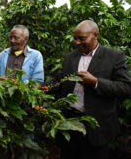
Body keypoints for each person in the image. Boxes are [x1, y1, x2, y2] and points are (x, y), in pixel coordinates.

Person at [48, 20, 131, 159]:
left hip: (97, 127)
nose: (77, 42)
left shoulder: (114, 56)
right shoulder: (70, 57)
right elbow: (59, 80)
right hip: (69, 122)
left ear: (96, 35)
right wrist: (43, 87)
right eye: (75, 38)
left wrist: (96, 82)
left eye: (82, 38)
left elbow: (125, 87)